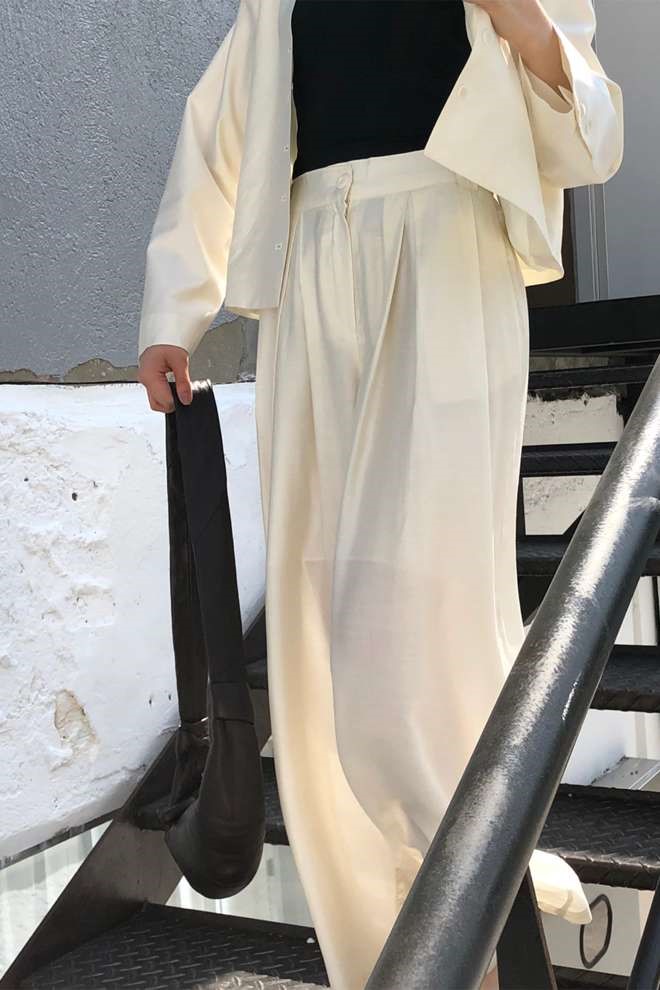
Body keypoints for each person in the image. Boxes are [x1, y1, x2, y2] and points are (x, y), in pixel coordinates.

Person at [137, 1, 624, 987]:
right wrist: (173, 312)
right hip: (308, 273)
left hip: (449, 253)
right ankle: (383, 956)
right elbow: (219, 128)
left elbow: (593, 138)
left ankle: (480, 869)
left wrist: (522, 23)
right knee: (313, 632)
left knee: (416, 618)